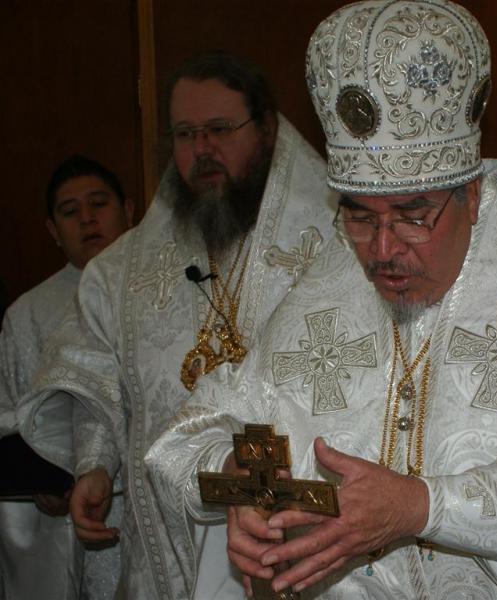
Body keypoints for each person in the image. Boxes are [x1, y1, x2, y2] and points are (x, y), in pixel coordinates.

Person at [147, 3, 497, 598]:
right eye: (359, 216)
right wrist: (239, 479)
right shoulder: (321, 300)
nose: (381, 250)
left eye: (413, 215)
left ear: (472, 197)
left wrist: (423, 506)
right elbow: (193, 434)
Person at [18, 51, 336, 600]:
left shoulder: (336, 242)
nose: (202, 149)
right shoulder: (123, 271)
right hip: (169, 529)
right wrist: (95, 464)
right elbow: (99, 376)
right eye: (186, 134)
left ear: (265, 130)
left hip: (296, 521)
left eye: (220, 129)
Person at [0, 155, 133, 599]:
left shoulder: (161, 291)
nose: (87, 219)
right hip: (62, 521)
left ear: (128, 210)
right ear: (53, 231)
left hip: (142, 504)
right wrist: (41, 479)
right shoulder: (26, 315)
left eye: (99, 203)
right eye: (70, 212)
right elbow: (11, 411)